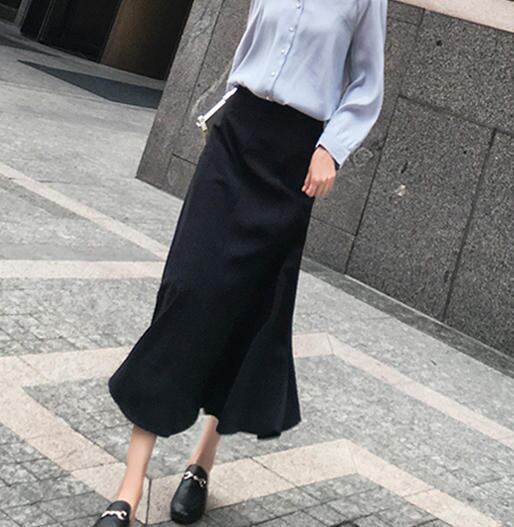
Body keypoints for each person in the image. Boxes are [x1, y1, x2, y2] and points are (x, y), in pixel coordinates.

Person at [93, 0, 387, 525]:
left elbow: (368, 83)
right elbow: (250, 45)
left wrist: (332, 148)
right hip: (236, 137)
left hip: (293, 162)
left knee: (247, 309)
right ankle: (129, 489)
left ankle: (201, 463)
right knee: (185, 291)